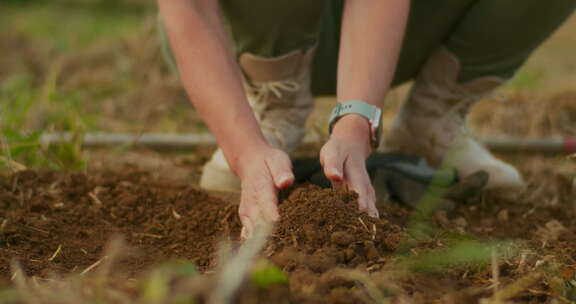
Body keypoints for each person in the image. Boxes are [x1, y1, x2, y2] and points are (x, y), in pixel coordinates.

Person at [157, 0, 575, 238]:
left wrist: (356, 126)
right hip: (243, 35)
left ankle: (433, 117)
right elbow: (189, 9)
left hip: (399, 31)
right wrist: (245, 150)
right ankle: (272, 106)